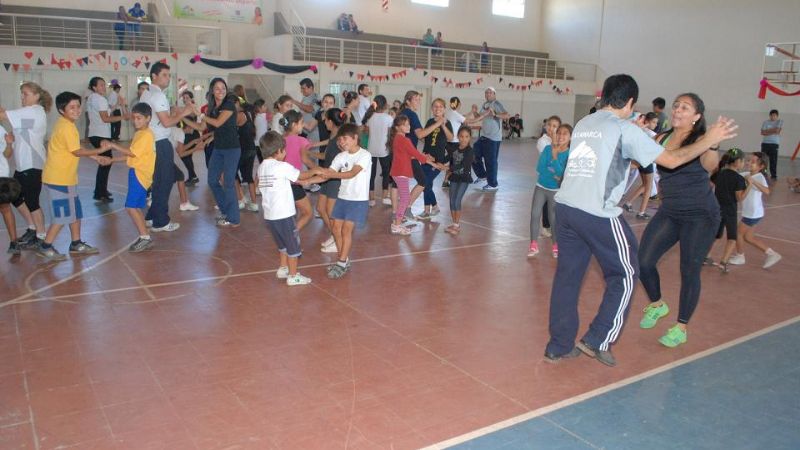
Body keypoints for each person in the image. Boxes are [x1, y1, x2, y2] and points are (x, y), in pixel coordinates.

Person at [546, 76, 738, 365]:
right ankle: (598, 338)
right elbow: (672, 161)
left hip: (566, 209)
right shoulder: (625, 130)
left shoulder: (585, 123)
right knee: (625, 274)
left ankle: (558, 346)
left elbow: (613, 156)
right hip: (597, 213)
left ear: (605, 97)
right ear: (631, 103)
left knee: (567, 277)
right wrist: (710, 140)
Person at [637, 93, 738, 350]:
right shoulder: (662, 137)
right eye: (676, 106)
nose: (678, 110)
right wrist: (638, 135)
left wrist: (712, 142)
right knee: (644, 260)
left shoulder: (702, 141)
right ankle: (658, 305)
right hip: (670, 212)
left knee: (689, 270)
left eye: (685, 107)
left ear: (696, 117)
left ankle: (681, 327)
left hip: (701, 216)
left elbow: (710, 165)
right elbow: (645, 159)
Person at [35, 91, 114, 262]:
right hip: (58, 180)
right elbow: (77, 151)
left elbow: (74, 148)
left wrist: (95, 157)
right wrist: (99, 151)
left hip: (67, 179)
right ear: (62, 110)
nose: (77, 110)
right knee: (62, 216)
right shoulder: (66, 127)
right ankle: (45, 246)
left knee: (76, 213)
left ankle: (76, 243)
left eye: (78, 106)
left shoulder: (67, 125)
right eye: (72, 107)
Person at [257, 131, 318, 286]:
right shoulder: (282, 166)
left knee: (283, 244)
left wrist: (312, 179)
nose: (285, 153)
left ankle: (283, 268)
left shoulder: (261, 168)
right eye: (284, 150)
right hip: (283, 214)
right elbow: (302, 176)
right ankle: (293, 275)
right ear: (278, 151)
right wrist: (317, 171)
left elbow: (299, 180)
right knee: (292, 245)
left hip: (270, 216)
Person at [313, 123, 372, 279]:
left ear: (355, 138)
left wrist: (329, 175)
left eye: (345, 139)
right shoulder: (341, 156)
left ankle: (340, 262)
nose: (342, 143)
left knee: (346, 230)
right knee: (335, 227)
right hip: (343, 197)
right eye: (340, 140)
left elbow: (352, 173)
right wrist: (309, 179)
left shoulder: (364, 155)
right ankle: (344, 260)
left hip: (357, 199)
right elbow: (329, 172)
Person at [0, 82, 51, 249]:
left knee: (32, 202)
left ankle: (41, 235)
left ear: (37, 96)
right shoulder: (29, 114)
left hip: (32, 164)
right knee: (14, 197)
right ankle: (32, 227)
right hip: (23, 165)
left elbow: (2, 116)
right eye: (21, 93)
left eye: (26, 94)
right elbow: (19, 131)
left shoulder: (34, 111)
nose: (22, 97)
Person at [140, 62, 190, 232]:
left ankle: (152, 215)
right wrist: (184, 112)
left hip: (151, 142)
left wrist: (177, 111)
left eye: (169, 75)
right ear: (154, 76)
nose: (168, 78)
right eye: (164, 75)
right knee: (165, 181)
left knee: (160, 181)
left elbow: (160, 118)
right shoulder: (158, 96)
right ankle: (160, 221)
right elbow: (167, 122)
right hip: (160, 143)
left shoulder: (146, 94)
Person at [102, 102, 155, 252]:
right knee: (135, 207)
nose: (136, 121)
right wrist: (112, 160)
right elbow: (133, 155)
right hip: (136, 172)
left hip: (140, 175)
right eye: (134, 118)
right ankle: (145, 234)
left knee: (130, 207)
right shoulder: (141, 134)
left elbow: (131, 153)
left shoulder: (145, 135)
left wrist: (112, 145)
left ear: (148, 118)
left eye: (139, 118)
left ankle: (145, 237)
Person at [198, 77, 241, 227]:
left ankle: (234, 218)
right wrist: (187, 113)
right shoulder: (212, 108)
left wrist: (203, 115)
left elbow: (217, 123)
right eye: (217, 88)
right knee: (212, 181)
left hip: (232, 149)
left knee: (228, 183)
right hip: (218, 148)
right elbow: (200, 127)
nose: (221, 90)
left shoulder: (229, 105)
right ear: (212, 91)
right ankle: (226, 212)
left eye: (223, 88)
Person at [729, 152, 782, 269]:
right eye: (748, 161)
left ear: (761, 166)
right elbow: (734, 176)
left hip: (752, 214)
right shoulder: (747, 174)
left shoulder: (759, 177)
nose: (749, 163)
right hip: (754, 213)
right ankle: (772, 254)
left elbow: (767, 191)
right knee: (748, 237)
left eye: (753, 162)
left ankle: (740, 256)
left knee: (738, 233)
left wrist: (752, 181)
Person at [529, 123, 572, 258]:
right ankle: (533, 245)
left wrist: (554, 158)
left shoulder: (569, 153)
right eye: (559, 133)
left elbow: (563, 174)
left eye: (565, 133)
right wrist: (555, 172)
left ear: (571, 137)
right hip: (541, 187)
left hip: (555, 191)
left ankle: (555, 245)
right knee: (535, 214)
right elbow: (540, 169)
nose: (561, 136)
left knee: (553, 219)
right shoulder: (548, 148)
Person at [388, 115, 433, 235]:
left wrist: (424, 158)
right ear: (398, 127)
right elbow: (415, 153)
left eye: (409, 124)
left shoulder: (398, 138)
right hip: (401, 172)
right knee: (405, 199)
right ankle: (396, 224)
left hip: (399, 172)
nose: (408, 126)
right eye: (405, 124)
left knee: (404, 198)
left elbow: (410, 154)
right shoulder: (403, 139)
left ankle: (397, 223)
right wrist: (429, 161)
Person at [88, 76, 127, 203]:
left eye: (104, 85)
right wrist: (123, 117)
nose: (103, 87)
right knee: (106, 162)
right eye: (100, 85)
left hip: (94, 134)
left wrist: (117, 105)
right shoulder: (100, 99)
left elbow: (107, 112)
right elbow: (105, 118)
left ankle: (101, 190)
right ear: (94, 87)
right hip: (101, 135)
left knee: (105, 163)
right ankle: (100, 193)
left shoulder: (92, 98)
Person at [315, 108, 347, 253]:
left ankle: (337, 238)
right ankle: (334, 235)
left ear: (330, 122)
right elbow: (326, 156)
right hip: (328, 177)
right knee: (321, 209)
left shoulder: (341, 140)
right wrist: (310, 152)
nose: (324, 121)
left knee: (331, 212)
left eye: (325, 119)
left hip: (336, 179)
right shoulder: (333, 135)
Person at [416, 98, 453, 220]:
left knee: (425, 183)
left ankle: (435, 207)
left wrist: (442, 124)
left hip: (438, 161)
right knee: (426, 184)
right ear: (432, 109)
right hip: (426, 158)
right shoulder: (430, 121)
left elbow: (450, 138)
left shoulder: (447, 122)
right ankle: (427, 210)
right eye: (435, 107)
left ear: (444, 109)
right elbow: (424, 136)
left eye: (440, 107)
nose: (438, 109)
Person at [711, 148, 747, 273]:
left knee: (716, 235)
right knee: (732, 237)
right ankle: (724, 262)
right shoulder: (739, 179)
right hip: (729, 210)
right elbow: (739, 198)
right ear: (737, 161)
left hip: (716, 207)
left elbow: (711, 184)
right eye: (743, 161)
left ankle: (706, 256)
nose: (744, 164)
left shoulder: (720, 173)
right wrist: (749, 187)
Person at [622, 112, 659, 220]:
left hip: (641, 161)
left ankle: (629, 203)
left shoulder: (641, 130)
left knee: (645, 185)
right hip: (646, 161)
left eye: (656, 123)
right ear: (646, 121)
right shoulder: (651, 134)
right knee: (648, 186)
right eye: (653, 122)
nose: (655, 125)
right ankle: (642, 212)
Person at [472, 87, 509, 192]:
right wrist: (475, 112)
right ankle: (482, 175)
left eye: (490, 93)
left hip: (493, 138)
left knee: (491, 161)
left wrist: (495, 114)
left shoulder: (496, 104)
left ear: (494, 94)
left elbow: (507, 115)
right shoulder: (485, 105)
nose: (488, 94)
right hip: (483, 136)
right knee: (473, 154)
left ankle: (493, 184)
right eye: (486, 93)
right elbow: (480, 117)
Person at [444, 127, 474, 235]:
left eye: (466, 137)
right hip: (454, 178)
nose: (464, 139)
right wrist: (438, 162)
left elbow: (464, 165)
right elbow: (448, 157)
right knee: (451, 201)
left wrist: (449, 169)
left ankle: (457, 225)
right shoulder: (455, 148)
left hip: (464, 179)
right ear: (458, 137)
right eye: (461, 136)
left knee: (457, 200)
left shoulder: (470, 151)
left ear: (470, 138)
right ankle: (454, 223)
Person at [364, 95, 393, 207]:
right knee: (386, 174)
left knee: (371, 175)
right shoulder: (389, 118)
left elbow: (366, 132)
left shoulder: (370, 117)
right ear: (385, 105)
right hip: (384, 150)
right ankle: (385, 197)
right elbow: (391, 134)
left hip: (371, 149)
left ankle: (371, 199)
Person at [535, 115, 561, 237]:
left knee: (557, 202)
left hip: (559, 176)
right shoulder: (543, 141)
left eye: (555, 126)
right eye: (549, 125)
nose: (551, 128)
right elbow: (550, 157)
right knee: (547, 203)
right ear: (545, 126)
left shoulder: (561, 140)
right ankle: (546, 227)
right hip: (547, 176)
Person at [235, 101, 259, 212]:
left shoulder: (240, 115)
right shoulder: (250, 116)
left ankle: (240, 200)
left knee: (233, 173)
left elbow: (228, 127)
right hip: (251, 149)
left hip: (243, 151)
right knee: (249, 177)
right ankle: (254, 203)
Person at [0, 128, 20, 255]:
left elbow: (7, 154)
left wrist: (8, 144)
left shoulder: (0, 130)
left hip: (1, 174)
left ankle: (14, 242)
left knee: (5, 208)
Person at [179, 91, 200, 184]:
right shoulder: (185, 108)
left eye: (187, 97)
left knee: (185, 155)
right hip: (186, 134)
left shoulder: (192, 108)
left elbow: (192, 119)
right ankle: (192, 176)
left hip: (192, 134)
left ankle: (193, 176)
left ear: (191, 98)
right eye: (183, 98)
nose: (185, 99)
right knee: (187, 156)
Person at [760, 109, 782, 180]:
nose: (773, 117)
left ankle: (773, 175)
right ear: (770, 116)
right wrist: (773, 130)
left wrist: (767, 131)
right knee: (764, 160)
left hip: (774, 144)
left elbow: (777, 131)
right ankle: (763, 173)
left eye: (775, 115)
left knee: (773, 160)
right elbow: (763, 132)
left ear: (777, 116)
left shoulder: (779, 122)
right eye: (772, 115)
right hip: (765, 143)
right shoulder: (765, 122)